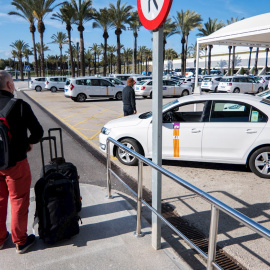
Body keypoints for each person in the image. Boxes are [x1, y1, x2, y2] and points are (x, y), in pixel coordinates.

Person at [0, 71, 43, 254]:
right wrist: (28, 143)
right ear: (10, 84)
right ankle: (20, 241)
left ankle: (1, 239)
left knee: (0, 200)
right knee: (18, 200)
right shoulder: (19, 105)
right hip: (16, 163)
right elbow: (38, 132)